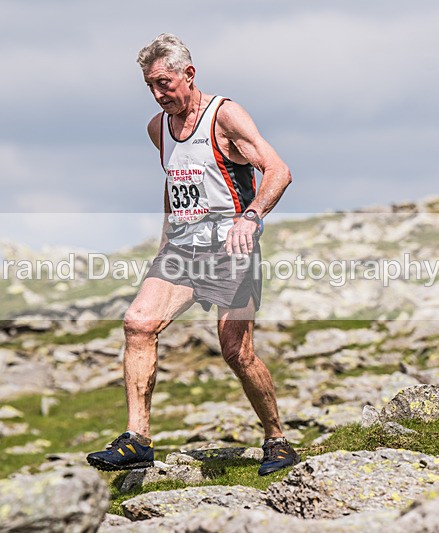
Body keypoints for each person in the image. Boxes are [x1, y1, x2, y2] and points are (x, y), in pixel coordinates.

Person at [87, 33, 297, 476]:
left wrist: (252, 216)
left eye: (165, 83)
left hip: (232, 247)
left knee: (236, 352)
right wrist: (165, 241)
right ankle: (137, 438)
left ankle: (277, 439)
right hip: (183, 249)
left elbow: (278, 170)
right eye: (150, 86)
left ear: (189, 74)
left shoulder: (226, 115)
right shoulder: (156, 128)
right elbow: (175, 184)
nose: (160, 94)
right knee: (138, 324)